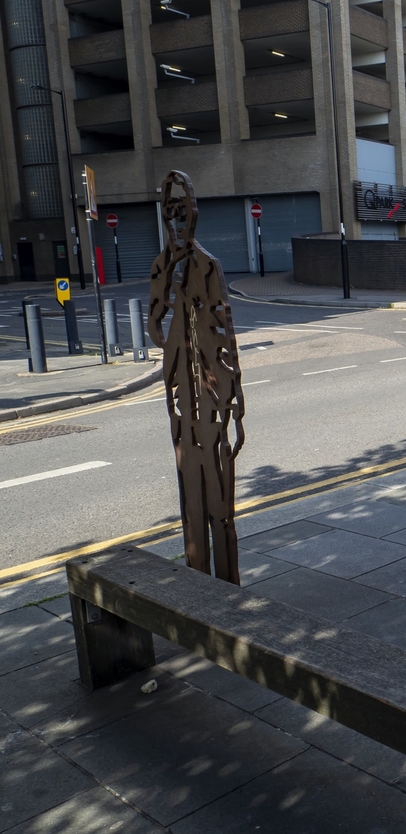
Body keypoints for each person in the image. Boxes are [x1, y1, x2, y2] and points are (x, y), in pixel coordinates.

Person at [148, 170, 246, 584]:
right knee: (190, 491)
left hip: (213, 397)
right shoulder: (161, 266)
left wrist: (236, 407)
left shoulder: (209, 266)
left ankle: (225, 585)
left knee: (219, 500)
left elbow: (226, 336)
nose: (175, 220)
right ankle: (197, 581)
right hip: (179, 397)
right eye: (168, 212)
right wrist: (166, 286)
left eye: (181, 211)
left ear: (194, 214)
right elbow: (155, 328)